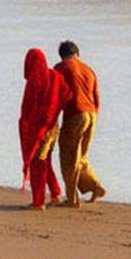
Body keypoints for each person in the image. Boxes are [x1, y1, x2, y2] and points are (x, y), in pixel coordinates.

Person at [54, 40, 107, 208]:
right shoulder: (88, 69)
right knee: (81, 156)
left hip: (75, 115)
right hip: (91, 114)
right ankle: (95, 186)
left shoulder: (61, 68)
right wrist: (93, 116)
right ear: (77, 54)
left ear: (62, 56)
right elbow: (96, 96)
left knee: (68, 158)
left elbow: (56, 96)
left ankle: (72, 200)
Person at [18, 48, 69, 210]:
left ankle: (38, 202)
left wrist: (26, 127)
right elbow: (67, 94)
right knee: (45, 160)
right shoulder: (55, 76)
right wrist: (54, 114)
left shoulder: (34, 82)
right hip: (53, 127)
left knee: (37, 162)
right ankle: (55, 193)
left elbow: (28, 109)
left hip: (38, 129)